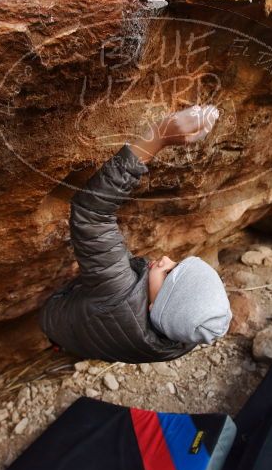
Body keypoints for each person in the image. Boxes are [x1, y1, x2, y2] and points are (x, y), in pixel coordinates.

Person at [39, 105, 232, 363]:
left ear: (155, 308)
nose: (165, 259)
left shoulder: (118, 294)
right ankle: (63, 348)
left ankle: (57, 341)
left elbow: (91, 214)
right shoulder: (180, 337)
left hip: (55, 318)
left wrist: (158, 137)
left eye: (169, 274)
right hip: (95, 338)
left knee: (62, 326)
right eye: (177, 263)